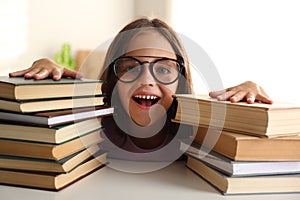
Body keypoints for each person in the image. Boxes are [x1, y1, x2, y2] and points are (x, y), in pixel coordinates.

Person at [9, 17, 273, 162]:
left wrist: (249, 94)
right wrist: (43, 77)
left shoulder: (198, 132)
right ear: (113, 81)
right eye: (131, 67)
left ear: (180, 82)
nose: (146, 79)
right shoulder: (92, 126)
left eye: (164, 69)